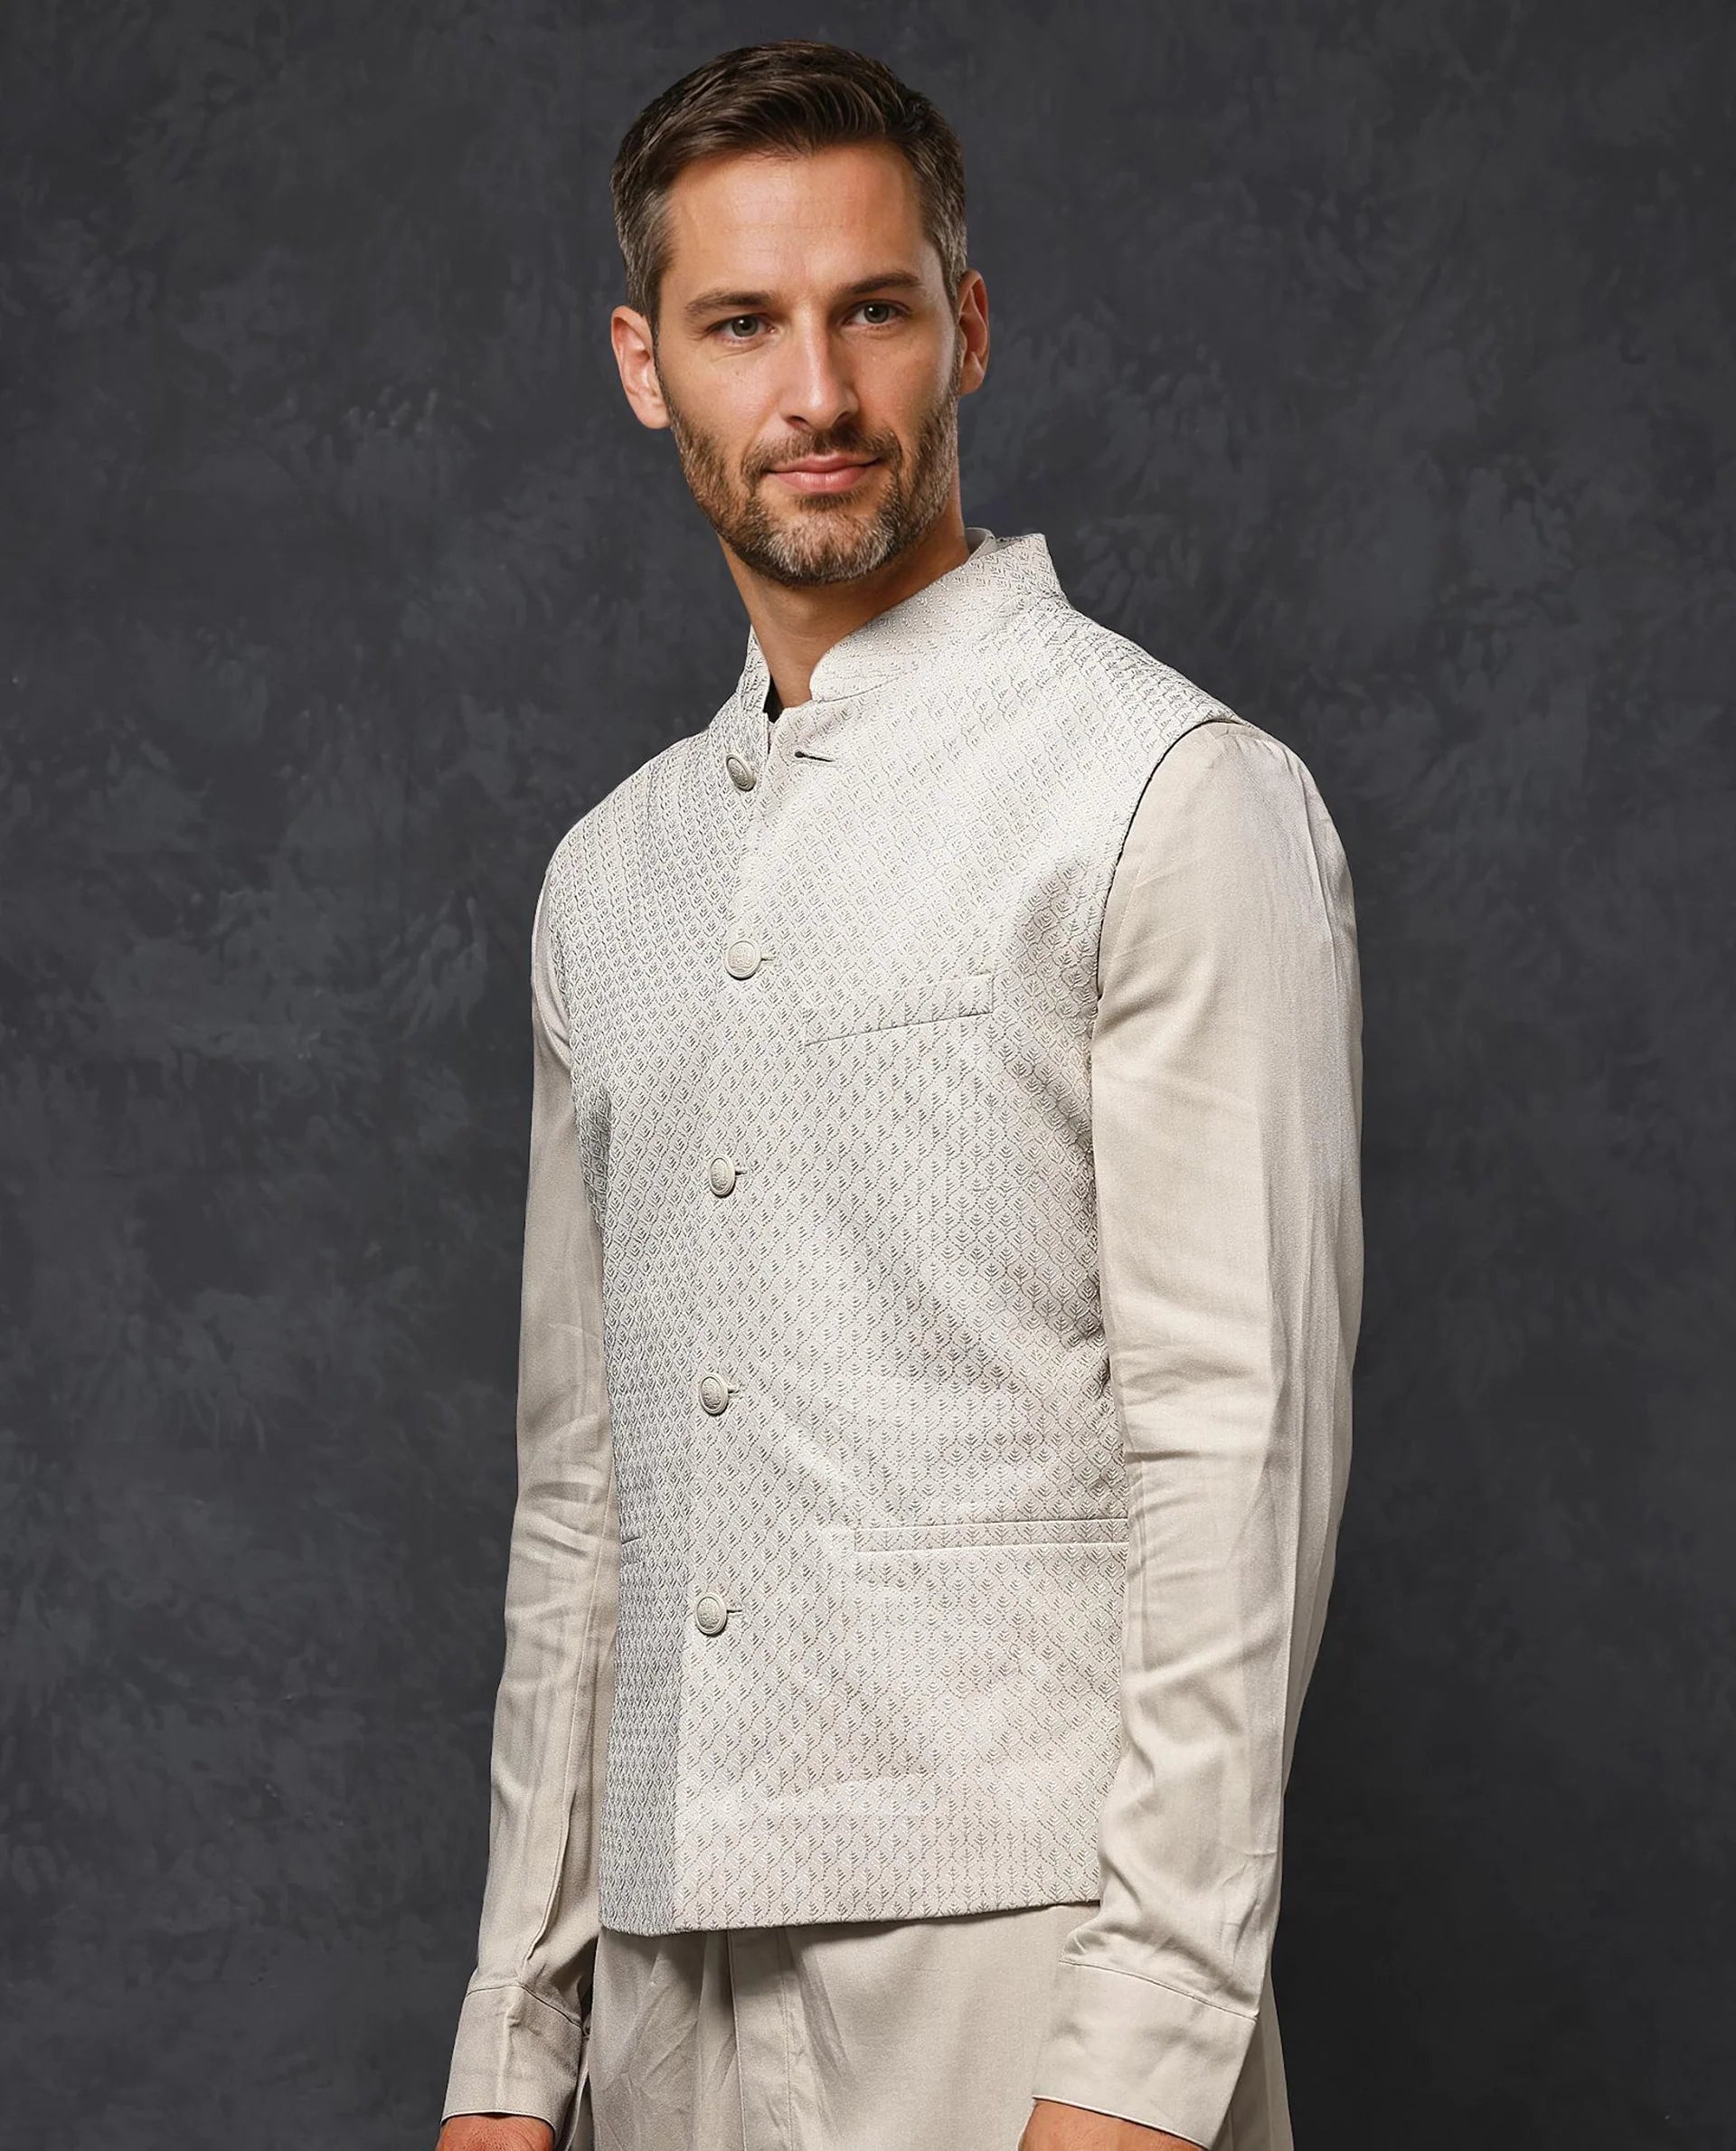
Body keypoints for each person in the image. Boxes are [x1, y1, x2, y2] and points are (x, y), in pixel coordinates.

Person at [435, 37, 1362, 2151]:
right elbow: (583, 1503)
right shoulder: (608, 875)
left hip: (1027, 1962)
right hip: (662, 1989)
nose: (818, 390)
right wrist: (512, 2043)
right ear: (643, 364)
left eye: (872, 309)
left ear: (969, 328)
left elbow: (1239, 1452)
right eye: (739, 324)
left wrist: (1138, 2054)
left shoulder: (1164, 793)